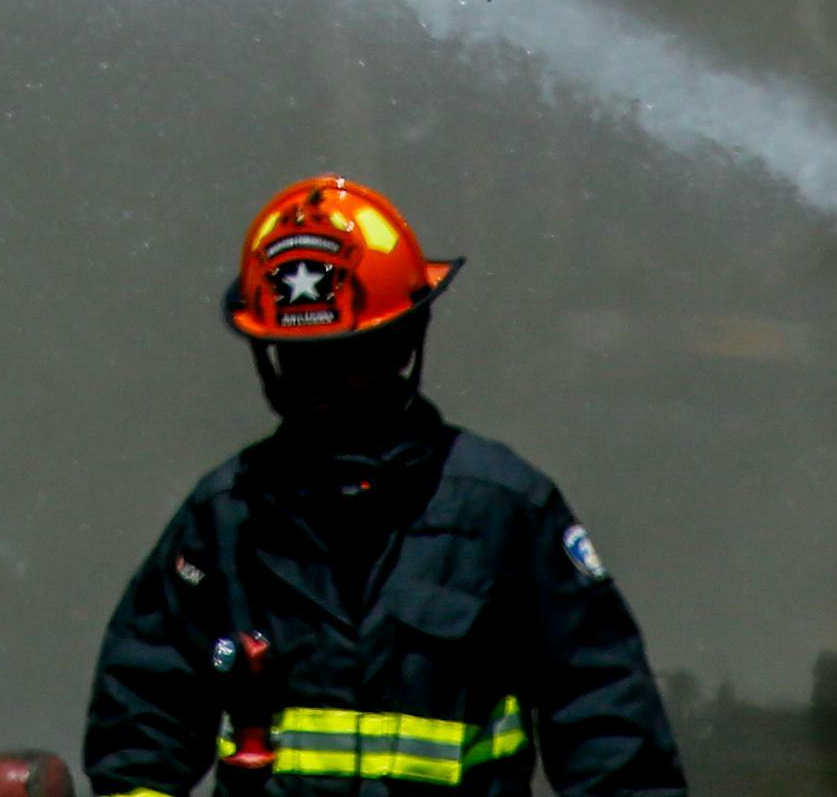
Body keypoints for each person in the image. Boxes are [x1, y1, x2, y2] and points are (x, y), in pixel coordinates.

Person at [79, 181, 687, 797]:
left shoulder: (500, 513)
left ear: (402, 344)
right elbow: (140, 729)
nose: (318, 387)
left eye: (345, 358)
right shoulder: (225, 521)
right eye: (298, 360)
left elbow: (609, 731)